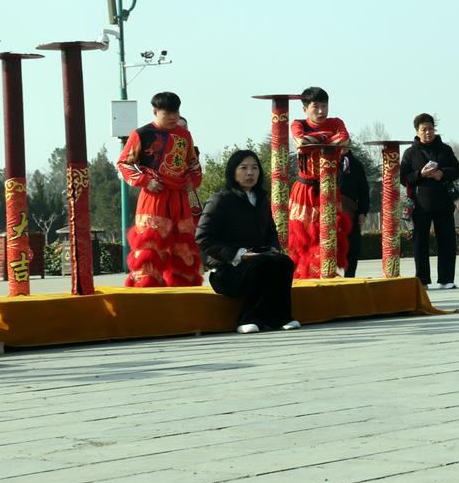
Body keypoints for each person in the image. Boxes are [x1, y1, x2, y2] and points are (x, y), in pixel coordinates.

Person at [196, 149, 299, 333]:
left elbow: (271, 232)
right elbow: (203, 238)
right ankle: (247, 319)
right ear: (233, 172)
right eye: (243, 168)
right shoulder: (220, 200)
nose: (250, 173)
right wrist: (238, 255)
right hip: (226, 271)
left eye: (254, 168)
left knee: (284, 262)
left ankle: (281, 317)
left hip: (258, 261)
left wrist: (273, 249)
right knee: (258, 265)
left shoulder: (261, 200)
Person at [116, 91, 203, 288]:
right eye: (167, 113)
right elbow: (123, 163)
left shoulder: (185, 135)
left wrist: (193, 180)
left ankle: (183, 295)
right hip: (154, 196)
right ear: (155, 112)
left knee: (183, 250)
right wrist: (145, 181)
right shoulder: (141, 134)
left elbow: (193, 164)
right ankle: (146, 293)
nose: (173, 117)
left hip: (180, 197)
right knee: (149, 246)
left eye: (176, 112)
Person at [288, 86, 352, 280]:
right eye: (315, 106)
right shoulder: (298, 124)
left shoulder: (336, 122)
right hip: (305, 190)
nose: (321, 111)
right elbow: (301, 141)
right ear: (305, 109)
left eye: (324, 106)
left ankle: (327, 272)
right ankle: (301, 277)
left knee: (330, 233)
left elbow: (345, 140)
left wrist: (316, 140)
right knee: (302, 237)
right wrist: (328, 138)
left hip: (330, 188)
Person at [400, 113, 459, 290]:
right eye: (424, 129)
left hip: (443, 202)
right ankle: (422, 280)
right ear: (417, 131)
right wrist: (420, 174)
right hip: (421, 204)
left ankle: (446, 279)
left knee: (447, 241)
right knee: (420, 243)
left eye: (430, 128)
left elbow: (458, 170)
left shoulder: (445, 150)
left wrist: (442, 173)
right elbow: (403, 177)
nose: (428, 132)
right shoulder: (410, 153)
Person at [339, 149, 372, 278]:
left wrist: (363, 211)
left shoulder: (356, 164)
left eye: (344, 142)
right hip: (328, 212)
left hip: (350, 212)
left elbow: (363, 190)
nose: (341, 146)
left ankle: (349, 278)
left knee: (352, 247)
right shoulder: (325, 161)